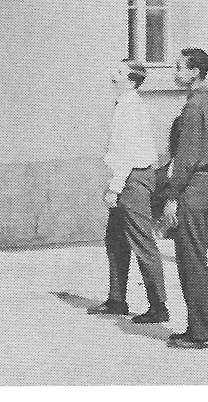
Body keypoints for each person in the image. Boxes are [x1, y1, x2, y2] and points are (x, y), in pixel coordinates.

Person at [87, 60, 169, 323]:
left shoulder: (130, 108)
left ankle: (158, 306)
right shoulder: (124, 105)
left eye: (120, 73)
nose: (113, 75)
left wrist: (114, 187)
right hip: (129, 178)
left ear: (132, 81)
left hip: (132, 180)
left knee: (142, 242)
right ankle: (117, 299)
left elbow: (128, 153)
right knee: (116, 240)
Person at [162, 48, 208, 350]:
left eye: (179, 67)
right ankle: (199, 327)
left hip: (193, 187)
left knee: (191, 262)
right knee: (196, 259)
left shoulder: (194, 105)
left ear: (195, 72)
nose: (175, 72)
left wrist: (172, 196)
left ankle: (200, 331)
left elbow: (186, 158)